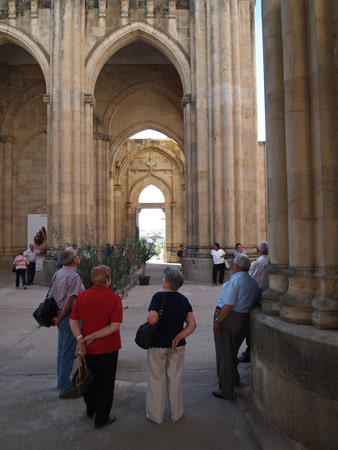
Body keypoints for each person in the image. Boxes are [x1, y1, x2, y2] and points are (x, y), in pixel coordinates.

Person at [70, 265, 122, 429]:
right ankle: (102, 418)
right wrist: (90, 337)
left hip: (87, 348)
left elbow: (73, 320)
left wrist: (81, 338)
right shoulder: (114, 298)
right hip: (108, 347)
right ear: (107, 279)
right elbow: (114, 326)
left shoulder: (82, 296)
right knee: (105, 383)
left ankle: (90, 410)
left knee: (89, 379)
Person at [146, 267, 197, 424]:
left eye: (164, 279)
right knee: (174, 378)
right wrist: (179, 336)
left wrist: (149, 318)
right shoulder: (183, 299)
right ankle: (177, 414)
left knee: (156, 378)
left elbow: (152, 319)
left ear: (167, 283)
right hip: (177, 345)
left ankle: (156, 416)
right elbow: (192, 324)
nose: (162, 281)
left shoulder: (158, 297)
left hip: (158, 343)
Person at [212, 254, 260, 400]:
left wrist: (218, 321)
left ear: (236, 266)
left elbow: (228, 305)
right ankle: (234, 378)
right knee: (231, 351)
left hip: (229, 318)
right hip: (243, 319)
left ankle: (226, 390)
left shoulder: (235, 281)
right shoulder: (253, 282)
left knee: (224, 354)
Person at [50, 247, 84, 399]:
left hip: (59, 314)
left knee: (61, 350)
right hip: (68, 316)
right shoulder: (73, 276)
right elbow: (70, 301)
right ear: (73, 260)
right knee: (68, 353)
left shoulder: (58, 273)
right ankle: (65, 389)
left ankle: (60, 382)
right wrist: (61, 317)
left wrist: (56, 316)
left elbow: (51, 295)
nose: (78, 257)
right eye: (77, 255)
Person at [238, 240, 269, 363]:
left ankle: (249, 353)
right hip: (266, 298)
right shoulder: (270, 261)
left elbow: (248, 281)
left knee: (249, 327)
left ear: (257, 250)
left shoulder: (257, 263)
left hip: (255, 299)